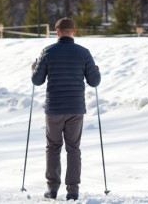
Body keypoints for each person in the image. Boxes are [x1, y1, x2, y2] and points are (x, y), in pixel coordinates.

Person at [31, 17, 101, 201]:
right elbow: (94, 81)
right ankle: (73, 191)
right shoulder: (84, 53)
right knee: (73, 149)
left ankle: (52, 189)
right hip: (75, 108)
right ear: (74, 32)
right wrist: (97, 70)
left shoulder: (48, 52)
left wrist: (34, 68)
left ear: (57, 32)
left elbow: (37, 81)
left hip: (54, 108)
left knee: (53, 147)